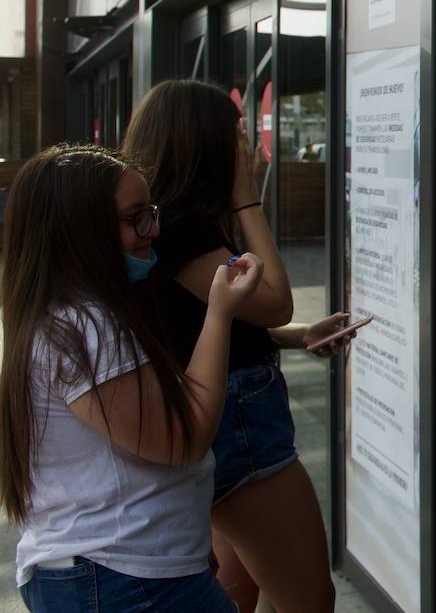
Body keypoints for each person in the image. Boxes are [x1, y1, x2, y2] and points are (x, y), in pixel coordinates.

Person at [0, 144, 263, 611]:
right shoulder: (83, 326)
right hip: (125, 576)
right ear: (78, 231)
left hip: (123, 571)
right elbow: (184, 437)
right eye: (134, 218)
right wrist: (220, 312)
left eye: (150, 213)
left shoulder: (68, 316)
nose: (152, 230)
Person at [123, 80, 343, 613]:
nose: (244, 149)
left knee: (241, 592)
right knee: (309, 598)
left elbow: (207, 322)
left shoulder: (159, 226)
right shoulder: (180, 229)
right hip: (239, 425)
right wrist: (246, 199)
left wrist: (297, 337)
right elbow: (274, 301)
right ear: (205, 144)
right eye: (235, 137)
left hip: (221, 416)